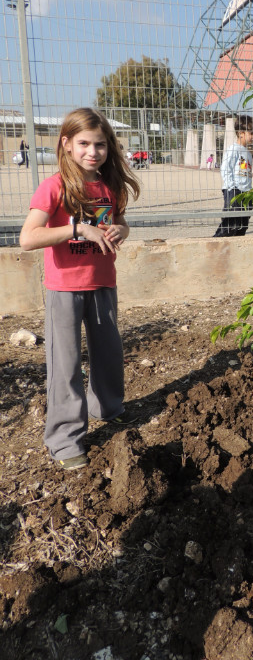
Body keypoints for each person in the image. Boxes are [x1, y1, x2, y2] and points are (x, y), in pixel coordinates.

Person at [19, 108, 141, 471]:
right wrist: (77, 229)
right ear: (67, 144)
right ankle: (64, 438)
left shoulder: (110, 186)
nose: (92, 151)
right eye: (84, 143)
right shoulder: (54, 186)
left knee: (109, 355)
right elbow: (28, 238)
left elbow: (118, 222)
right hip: (65, 289)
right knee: (66, 364)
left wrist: (123, 230)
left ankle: (108, 408)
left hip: (103, 284)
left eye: (100, 144)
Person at [213, 115, 253, 237]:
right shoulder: (233, 149)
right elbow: (226, 168)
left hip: (246, 191)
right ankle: (216, 245)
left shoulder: (247, 152)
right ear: (241, 133)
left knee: (242, 225)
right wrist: (232, 189)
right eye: (251, 133)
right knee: (230, 224)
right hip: (234, 190)